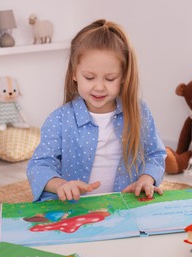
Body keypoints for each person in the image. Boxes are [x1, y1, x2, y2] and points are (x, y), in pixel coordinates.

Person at [27, 19, 166, 202]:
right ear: (74, 74)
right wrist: (60, 185)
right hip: (74, 209)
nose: (99, 87)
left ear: (123, 76)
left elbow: (155, 154)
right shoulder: (60, 119)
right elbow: (39, 165)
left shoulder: (139, 112)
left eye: (110, 78)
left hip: (125, 205)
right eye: (90, 77)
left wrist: (146, 179)